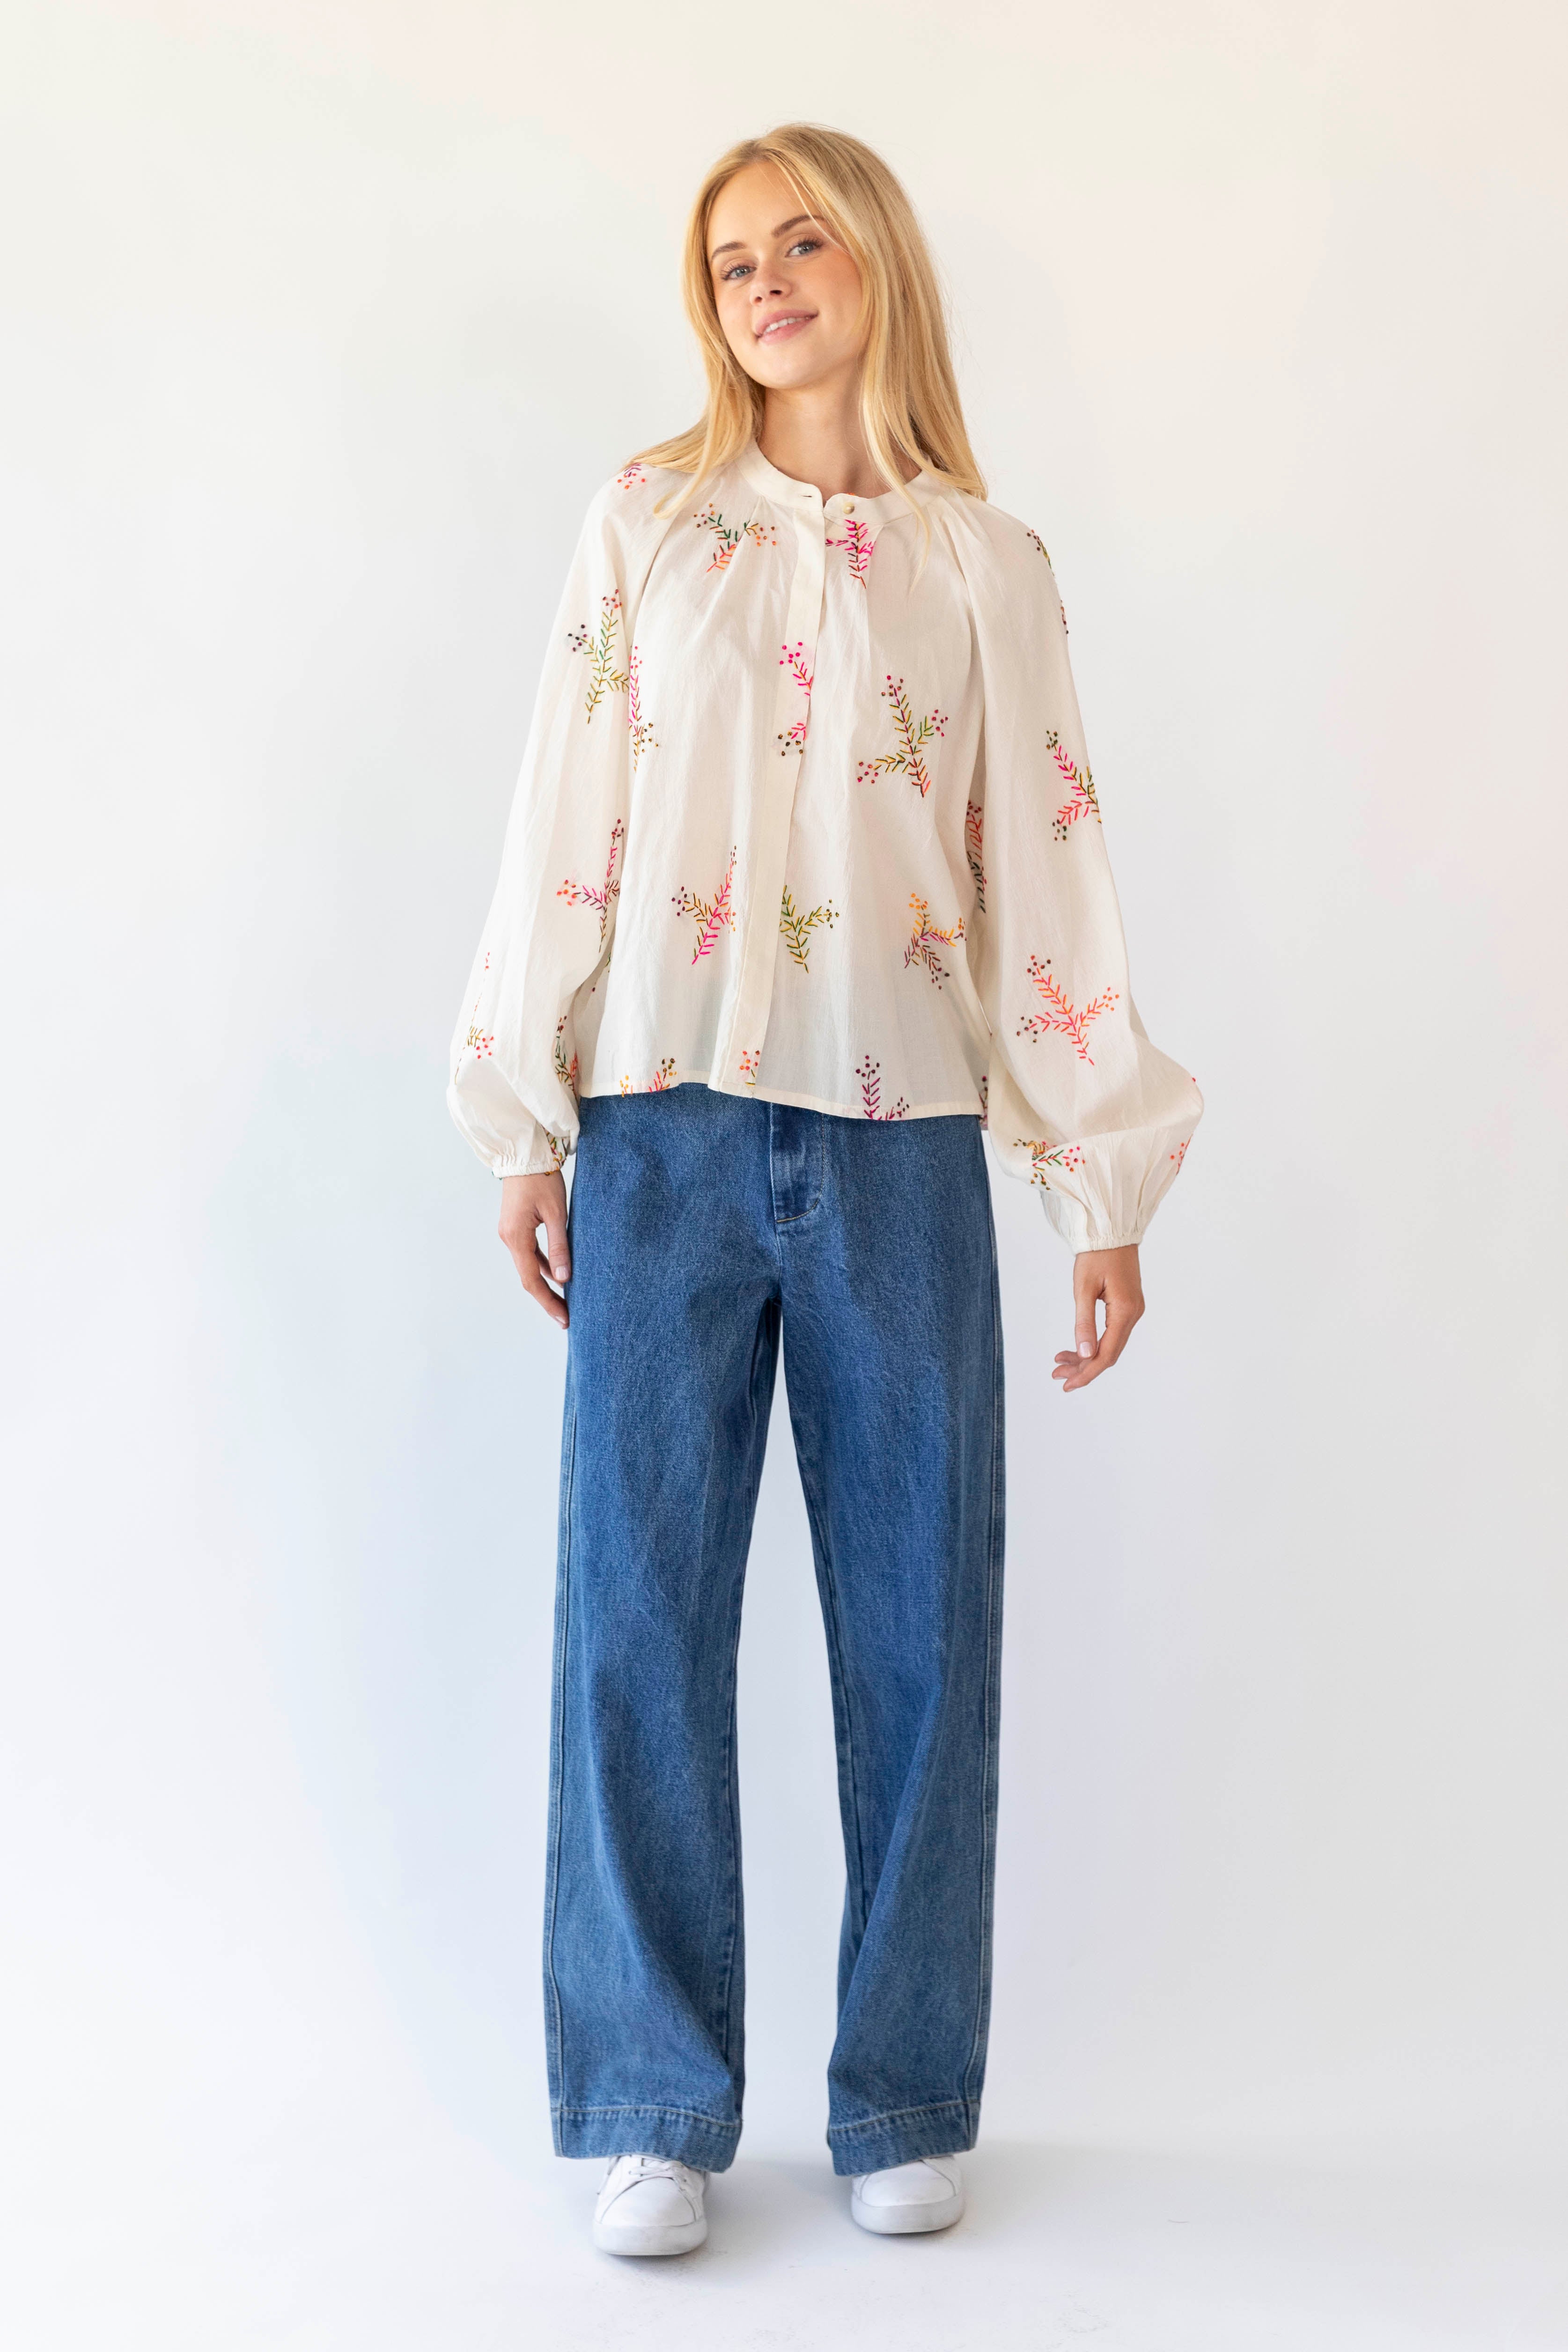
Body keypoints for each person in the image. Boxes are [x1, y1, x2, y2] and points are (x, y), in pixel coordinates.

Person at [448, 121, 1201, 2258]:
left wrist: (1099, 1177)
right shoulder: (650, 522)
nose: (764, 283)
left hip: (900, 1140)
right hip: (662, 1131)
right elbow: (565, 820)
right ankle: (647, 2098)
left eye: (799, 243)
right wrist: (524, 1115)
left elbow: (1041, 869)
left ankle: (902, 2092)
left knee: (921, 1624)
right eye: (728, 260)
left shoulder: (984, 564)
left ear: (874, 261)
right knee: (637, 1615)